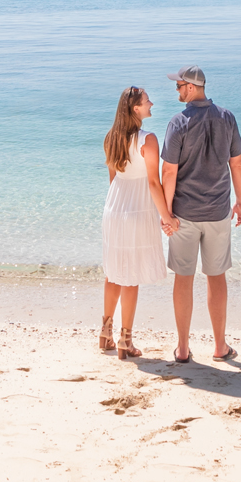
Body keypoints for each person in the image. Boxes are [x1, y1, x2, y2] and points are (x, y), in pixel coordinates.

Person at [158, 65, 241, 364]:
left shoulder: (178, 122)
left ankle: (183, 349)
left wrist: (167, 212)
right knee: (216, 277)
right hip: (218, 211)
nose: (177, 90)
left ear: (193, 87)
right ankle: (220, 347)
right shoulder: (227, 117)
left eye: (180, 85)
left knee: (183, 279)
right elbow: (237, 163)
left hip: (184, 214)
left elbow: (169, 171)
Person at [98, 85, 174, 360]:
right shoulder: (148, 139)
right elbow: (154, 182)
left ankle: (105, 333)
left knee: (113, 272)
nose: (152, 103)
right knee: (130, 278)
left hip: (114, 207)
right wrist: (167, 216)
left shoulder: (111, 138)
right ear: (135, 109)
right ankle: (125, 340)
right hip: (138, 210)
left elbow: (113, 179)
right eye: (147, 100)